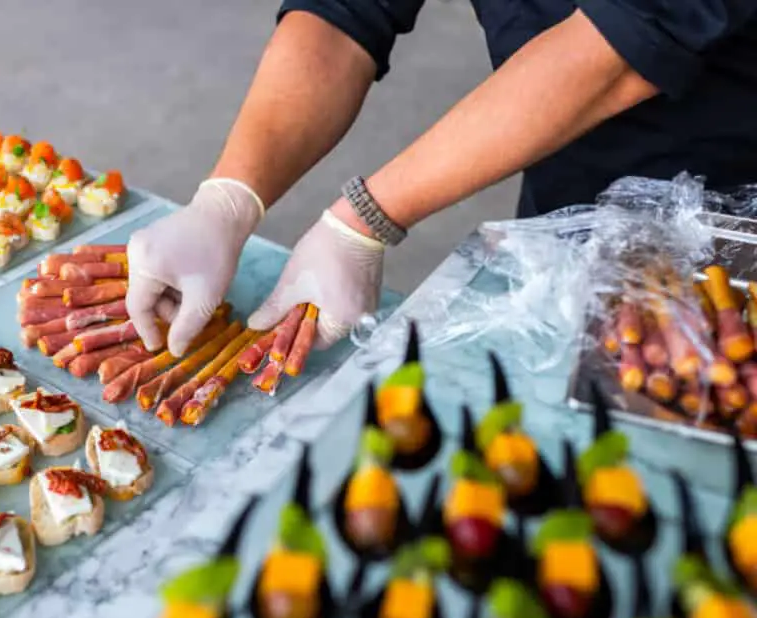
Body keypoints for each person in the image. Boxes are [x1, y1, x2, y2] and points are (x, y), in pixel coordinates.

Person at [126, 1, 757, 356]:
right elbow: (344, 14)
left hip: (737, 220)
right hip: (573, 198)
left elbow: (629, 42)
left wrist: (363, 220)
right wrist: (230, 195)